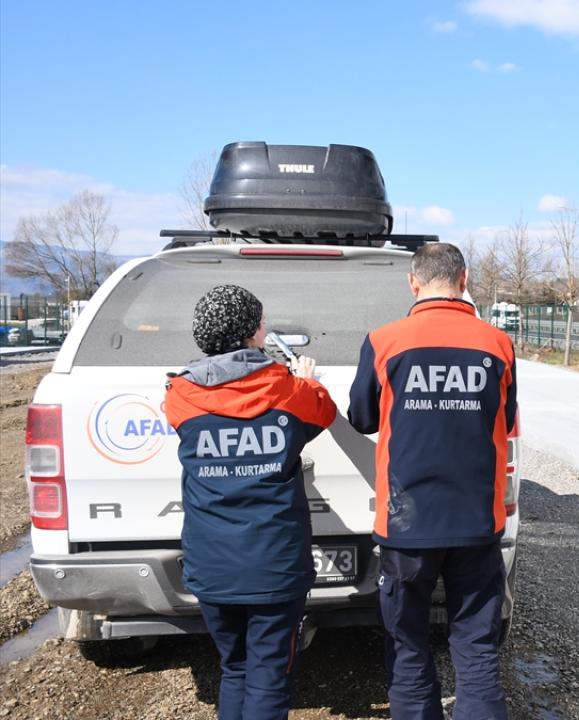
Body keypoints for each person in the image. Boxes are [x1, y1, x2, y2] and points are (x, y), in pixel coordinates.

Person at [348, 242, 516, 720]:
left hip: (406, 525)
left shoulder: (384, 341)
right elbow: (505, 418)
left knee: (407, 642)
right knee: (476, 646)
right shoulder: (497, 343)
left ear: (413, 283)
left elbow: (361, 417)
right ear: (464, 281)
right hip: (476, 523)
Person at [165, 284, 337, 720]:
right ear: (254, 332)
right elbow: (324, 413)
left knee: (235, 667)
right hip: (275, 564)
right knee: (268, 674)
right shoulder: (287, 389)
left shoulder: (179, 395)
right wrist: (307, 380)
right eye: (261, 322)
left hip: (210, 564)